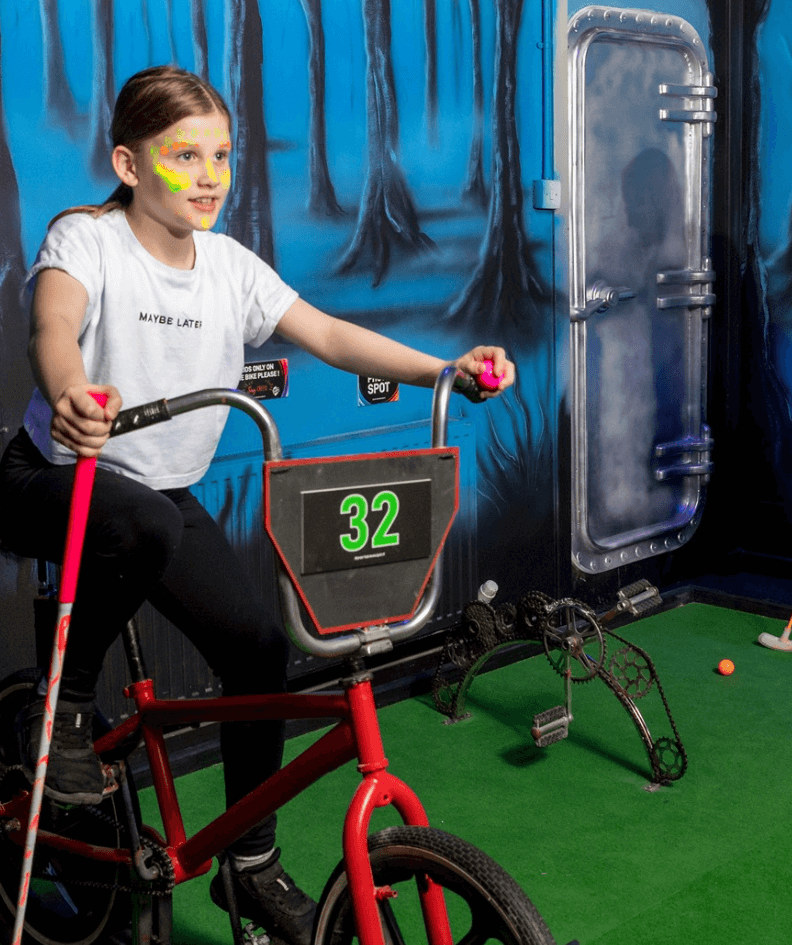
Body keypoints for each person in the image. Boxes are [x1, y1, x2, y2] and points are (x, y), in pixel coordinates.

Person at [0, 65, 514, 945]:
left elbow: (329, 334)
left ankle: (251, 864)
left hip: (157, 499)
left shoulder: (230, 267)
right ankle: (67, 708)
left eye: (222, 156)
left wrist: (446, 370)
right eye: (184, 156)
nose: (209, 176)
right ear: (128, 164)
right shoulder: (87, 240)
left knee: (260, 651)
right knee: (146, 523)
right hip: (53, 480)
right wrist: (71, 389)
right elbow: (55, 322)